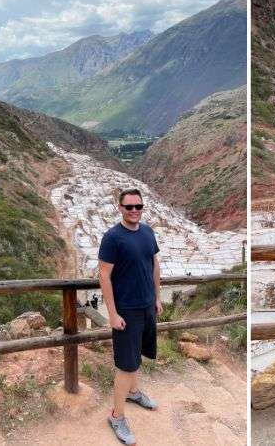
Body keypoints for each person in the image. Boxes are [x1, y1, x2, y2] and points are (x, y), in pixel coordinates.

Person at [98, 188, 163, 445]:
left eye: (138, 206)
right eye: (129, 207)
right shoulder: (112, 238)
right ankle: (116, 416)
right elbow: (103, 275)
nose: (134, 211)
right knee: (126, 365)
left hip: (147, 305)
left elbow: (154, 264)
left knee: (137, 356)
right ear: (120, 208)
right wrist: (112, 313)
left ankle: (134, 392)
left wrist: (157, 298)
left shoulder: (148, 232)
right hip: (126, 310)